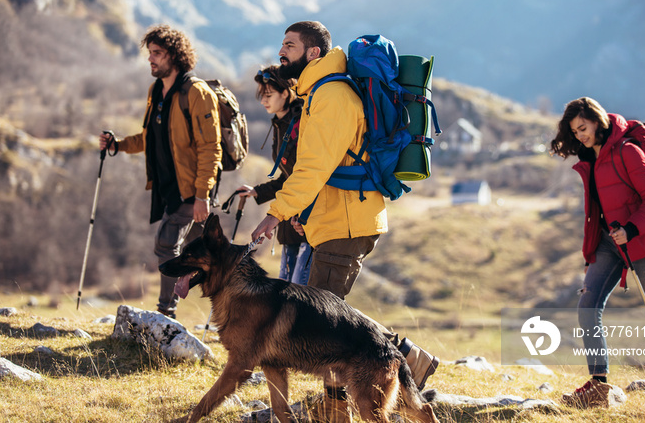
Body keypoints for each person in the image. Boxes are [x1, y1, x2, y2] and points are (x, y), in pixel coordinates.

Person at [251, 21, 438, 421]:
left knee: (324, 328)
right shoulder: (319, 92)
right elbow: (325, 167)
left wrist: (276, 213)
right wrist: (305, 213)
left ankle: (363, 393)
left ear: (313, 52)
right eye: (281, 44)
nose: (281, 52)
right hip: (338, 218)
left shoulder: (331, 95)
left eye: (290, 45)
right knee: (330, 322)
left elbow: (314, 168)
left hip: (348, 221)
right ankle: (386, 375)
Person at [550, 96, 645, 409]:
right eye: (574, 131)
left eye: (583, 128)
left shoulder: (628, 151)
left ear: (598, 121)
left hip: (642, 240)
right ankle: (599, 387)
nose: (580, 135)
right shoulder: (592, 155)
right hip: (608, 242)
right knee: (588, 305)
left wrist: (630, 230)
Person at [99, 25, 221, 319]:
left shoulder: (196, 93)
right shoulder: (157, 91)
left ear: (175, 56)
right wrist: (118, 145)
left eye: (157, 53)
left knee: (166, 244)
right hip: (169, 189)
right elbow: (149, 138)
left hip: (192, 191)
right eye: (149, 53)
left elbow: (211, 148)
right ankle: (225, 311)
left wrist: (202, 196)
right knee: (211, 257)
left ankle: (166, 313)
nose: (150, 59)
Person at [235, 66, 311, 285]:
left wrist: (299, 213)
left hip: (304, 222)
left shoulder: (299, 123)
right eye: (262, 96)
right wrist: (256, 191)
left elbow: (305, 176)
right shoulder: (281, 124)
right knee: (286, 290)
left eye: (268, 95)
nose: (263, 101)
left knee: (298, 293)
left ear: (285, 93)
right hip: (289, 222)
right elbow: (287, 178)